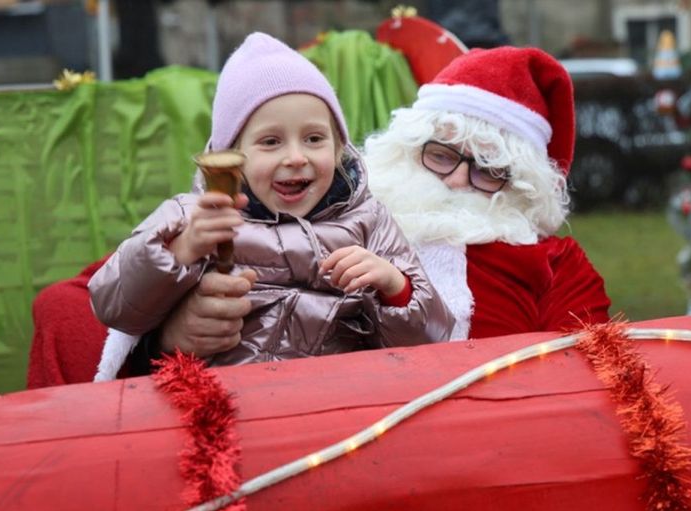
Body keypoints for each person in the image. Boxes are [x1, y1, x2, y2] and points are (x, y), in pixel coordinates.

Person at [157, 44, 610, 353]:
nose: (456, 181)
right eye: (440, 156)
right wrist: (170, 330)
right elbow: (113, 294)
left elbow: (587, 377)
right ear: (407, 150)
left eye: (489, 170)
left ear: (523, 186)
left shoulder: (557, 264)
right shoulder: (338, 212)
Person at [88, 33, 453, 377]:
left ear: (339, 146)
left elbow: (436, 339)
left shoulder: (368, 219)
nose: (296, 157)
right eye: (270, 141)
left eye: (314, 138)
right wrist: (182, 250)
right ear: (230, 153)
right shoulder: (196, 217)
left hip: (341, 397)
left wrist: (395, 288)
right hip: (227, 401)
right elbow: (113, 305)